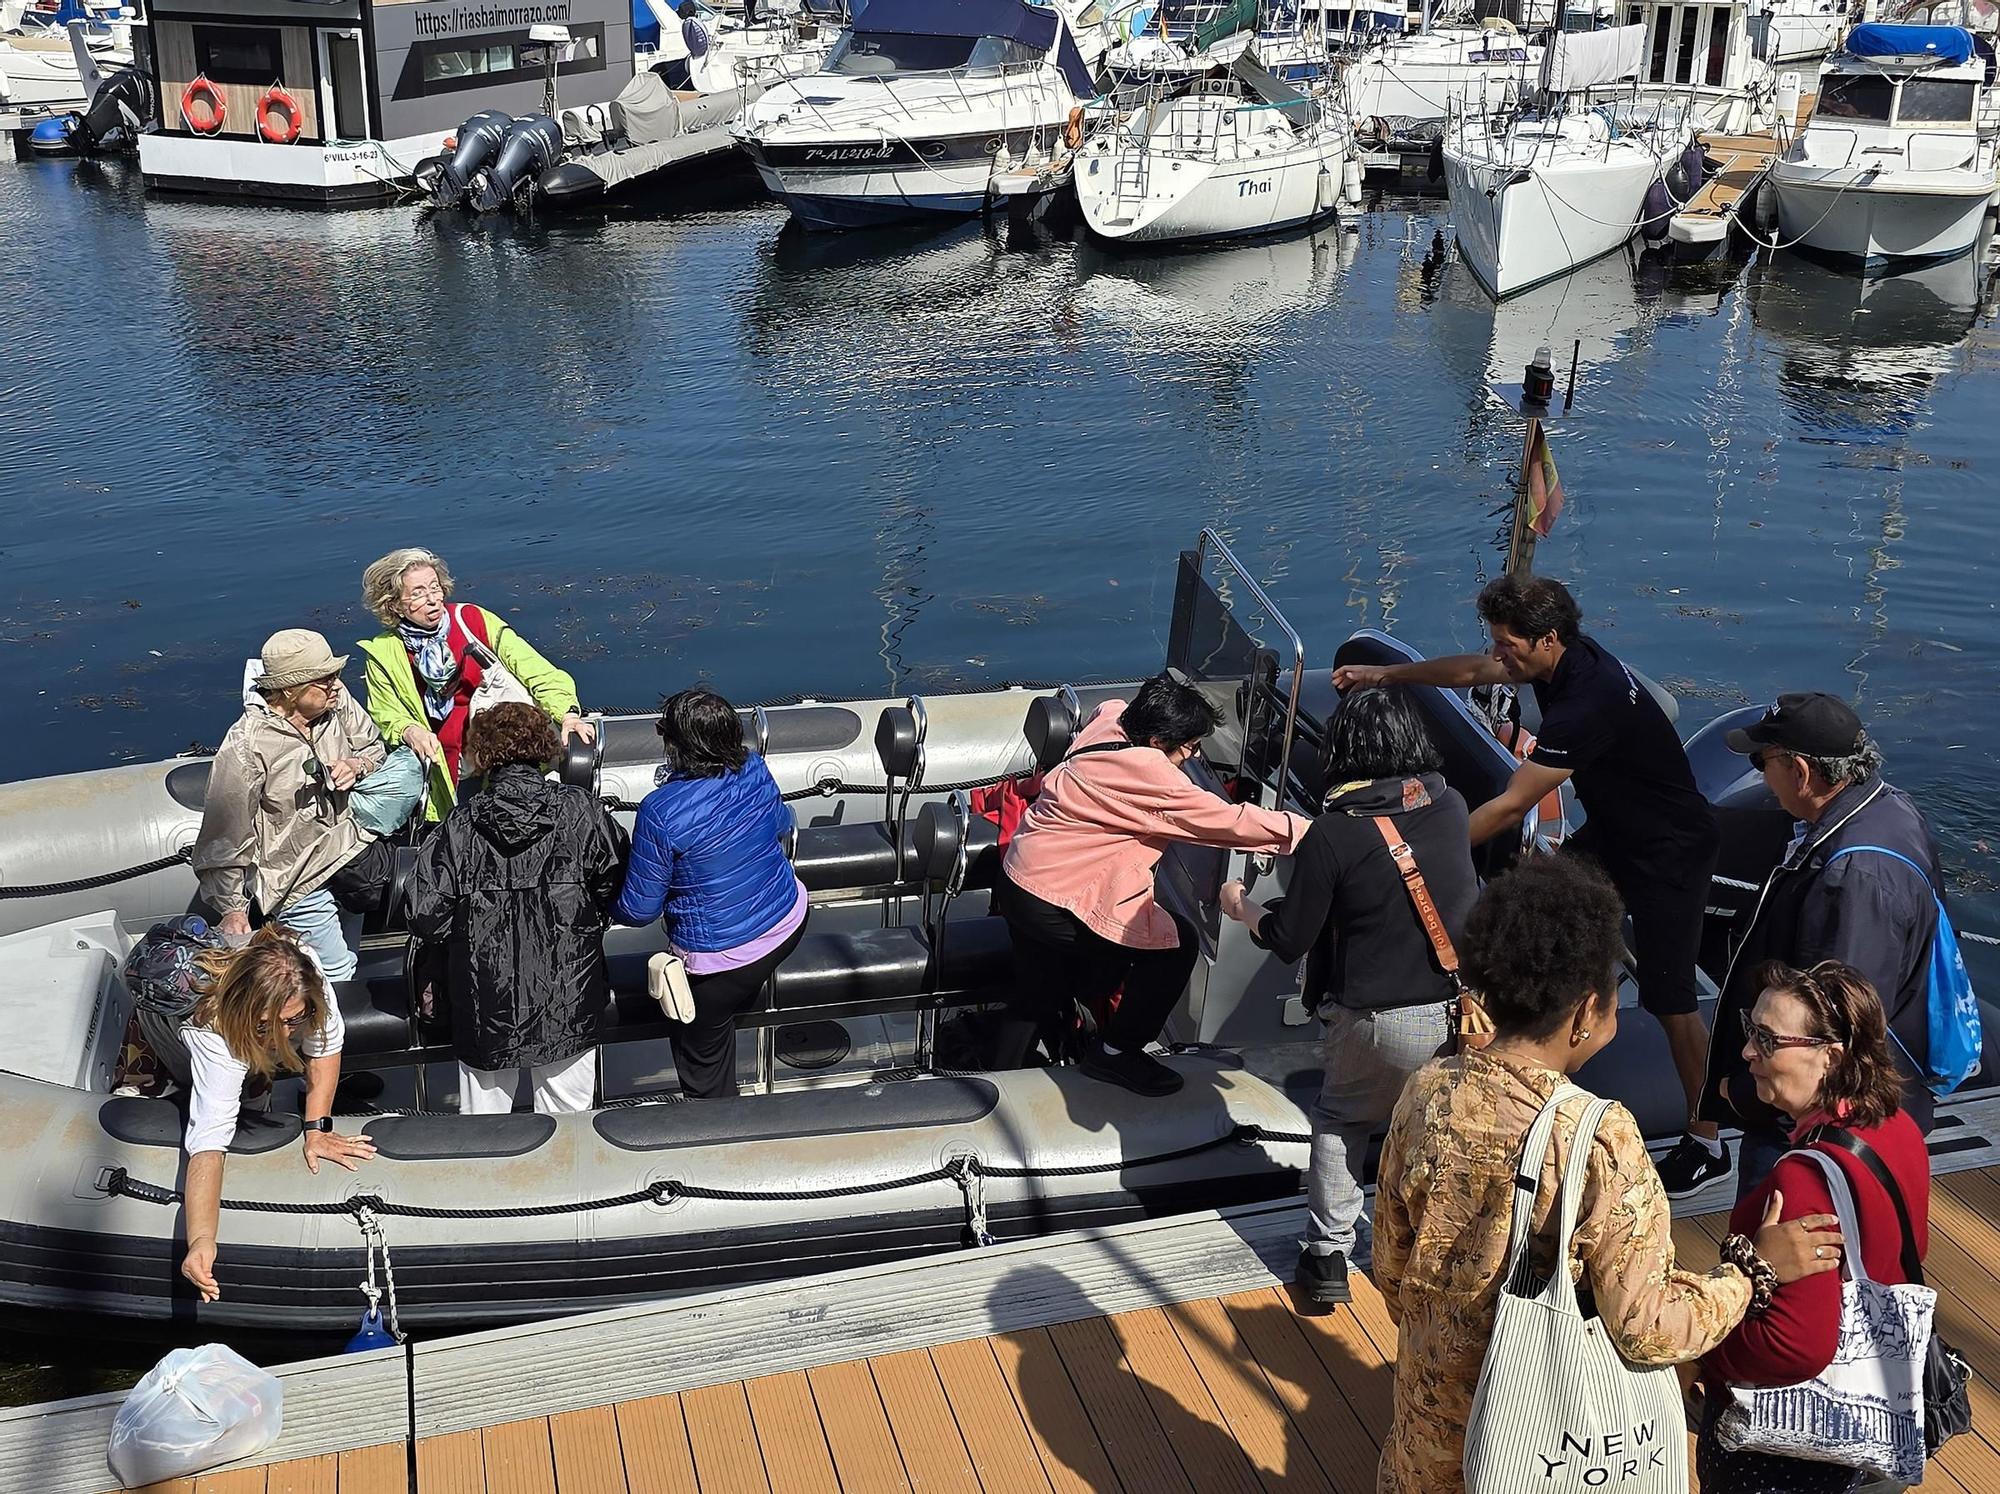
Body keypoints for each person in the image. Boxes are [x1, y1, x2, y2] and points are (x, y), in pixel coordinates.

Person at [1372, 853, 1843, 1494]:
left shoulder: (1427, 1089)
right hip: (1534, 1448)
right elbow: (1645, 1328)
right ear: (1586, 1010)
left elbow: (1393, 1269)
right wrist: (1749, 1273)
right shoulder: (1596, 1136)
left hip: (1425, 1436)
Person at [1335, 575, 1729, 1197]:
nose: (1501, 654)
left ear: (1547, 639)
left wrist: (1407, 856)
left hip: (1669, 852)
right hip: (1614, 833)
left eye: (1509, 644)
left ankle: (1706, 1140)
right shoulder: (1562, 659)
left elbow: (1514, 806)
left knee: (1671, 1001)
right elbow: (1475, 672)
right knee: (1527, 919)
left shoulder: (1587, 703)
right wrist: (1386, 677)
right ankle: (1501, 1072)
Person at [1218, 686, 1476, 1309]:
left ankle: (1329, 1255)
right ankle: (1432, 1246)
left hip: (1376, 1018)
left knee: (1341, 1121)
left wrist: (1243, 907)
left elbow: (1290, 937)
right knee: (1431, 1126)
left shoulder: (1333, 834)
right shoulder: (1451, 805)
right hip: (1457, 1012)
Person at [993, 672, 1311, 1097]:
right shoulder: (1152, 779)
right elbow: (1230, 822)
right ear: (1159, 743)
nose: (1192, 758)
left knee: (1037, 992)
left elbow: (1112, 704)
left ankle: (999, 1078)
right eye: (1190, 748)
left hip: (1019, 878)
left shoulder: (1112, 719)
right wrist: (1310, 832)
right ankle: (1115, 1052)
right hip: (1055, 900)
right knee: (1175, 947)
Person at [1698, 961, 1928, 1493]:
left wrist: (1708, 1355)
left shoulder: (1801, 1179)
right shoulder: (1895, 1128)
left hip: (1791, 1457)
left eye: (1768, 1039)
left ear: (1830, 1056)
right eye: (1748, 1030)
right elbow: (1910, 1247)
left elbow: (1796, 1346)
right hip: (1876, 1420)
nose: (1748, 1051)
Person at [1704, 693, 1948, 1193]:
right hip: (1840, 1110)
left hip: (1807, 1129)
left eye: (1761, 761)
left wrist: (1749, 1093)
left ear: (1800, 770)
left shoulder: (1853, 877)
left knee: (1766, 1250)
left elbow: (1838, 1023)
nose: (1759, 777)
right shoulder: (1889, 808)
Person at [409, 703, 630, 1116]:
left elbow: (425, 914)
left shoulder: (459, 825)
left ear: (484, 755)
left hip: (484, 997)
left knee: (484, 1125)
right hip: (571, 991)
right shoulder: (581, 811)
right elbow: (614, 883)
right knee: (571, 1120)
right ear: (543, 747)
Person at [139, 927, 375, 1303]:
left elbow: (325, 1047)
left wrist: (317, 1129)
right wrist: (201, 1240)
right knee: (192, 1090)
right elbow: (208, 1144)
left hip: (246, 1022)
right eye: (267, 1024)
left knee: (257, 1080)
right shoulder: (212, 1031)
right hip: (163, 1028)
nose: (283, 1032)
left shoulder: (304, 976)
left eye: (294, 1020)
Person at [193, 629, 423, 982]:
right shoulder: (247, 745)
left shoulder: (337, 701)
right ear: (290, 689)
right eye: (324, 678)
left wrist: (356, 765)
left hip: (348, 856)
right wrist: (232, 907)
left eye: (335, 675)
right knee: (334, 972)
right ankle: (330, 1035)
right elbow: (225, 833)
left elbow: (374, 748)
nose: (336, 684)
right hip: (296, 878)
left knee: (351, 956)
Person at [612, 689, 808, 1099]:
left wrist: (606, 893)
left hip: (721, 960)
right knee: (731, 997)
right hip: (789, 920)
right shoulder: (753, 765)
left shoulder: (659, 811)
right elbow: (779, 824)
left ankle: (721, 1139)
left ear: (674, 745)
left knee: (701, 1057)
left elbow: (639, 909)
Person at [357, 547, 595, 819]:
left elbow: (535, 669)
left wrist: (567, 713)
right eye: (418, 593)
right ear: (395, 604)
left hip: (501, 752)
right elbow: (386, 712)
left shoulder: (473, 620)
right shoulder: (384, 652)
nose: (433, 600)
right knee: (461, 829)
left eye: (435, 588)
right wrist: (408, 730)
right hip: (447, 766)